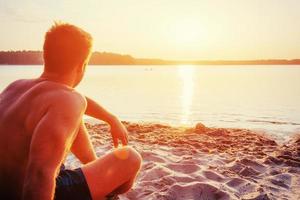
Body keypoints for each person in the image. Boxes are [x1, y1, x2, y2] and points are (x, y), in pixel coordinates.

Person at [0, 22, 142, 200]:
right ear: (83, 65)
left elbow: (75, 98)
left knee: (70, 115)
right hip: (32, 191)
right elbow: (39, 175)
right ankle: (105, 193)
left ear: (46, 56)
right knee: (130, 158)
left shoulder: (15, 87)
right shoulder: (67, 101)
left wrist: (110, 118)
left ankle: (93, 166)